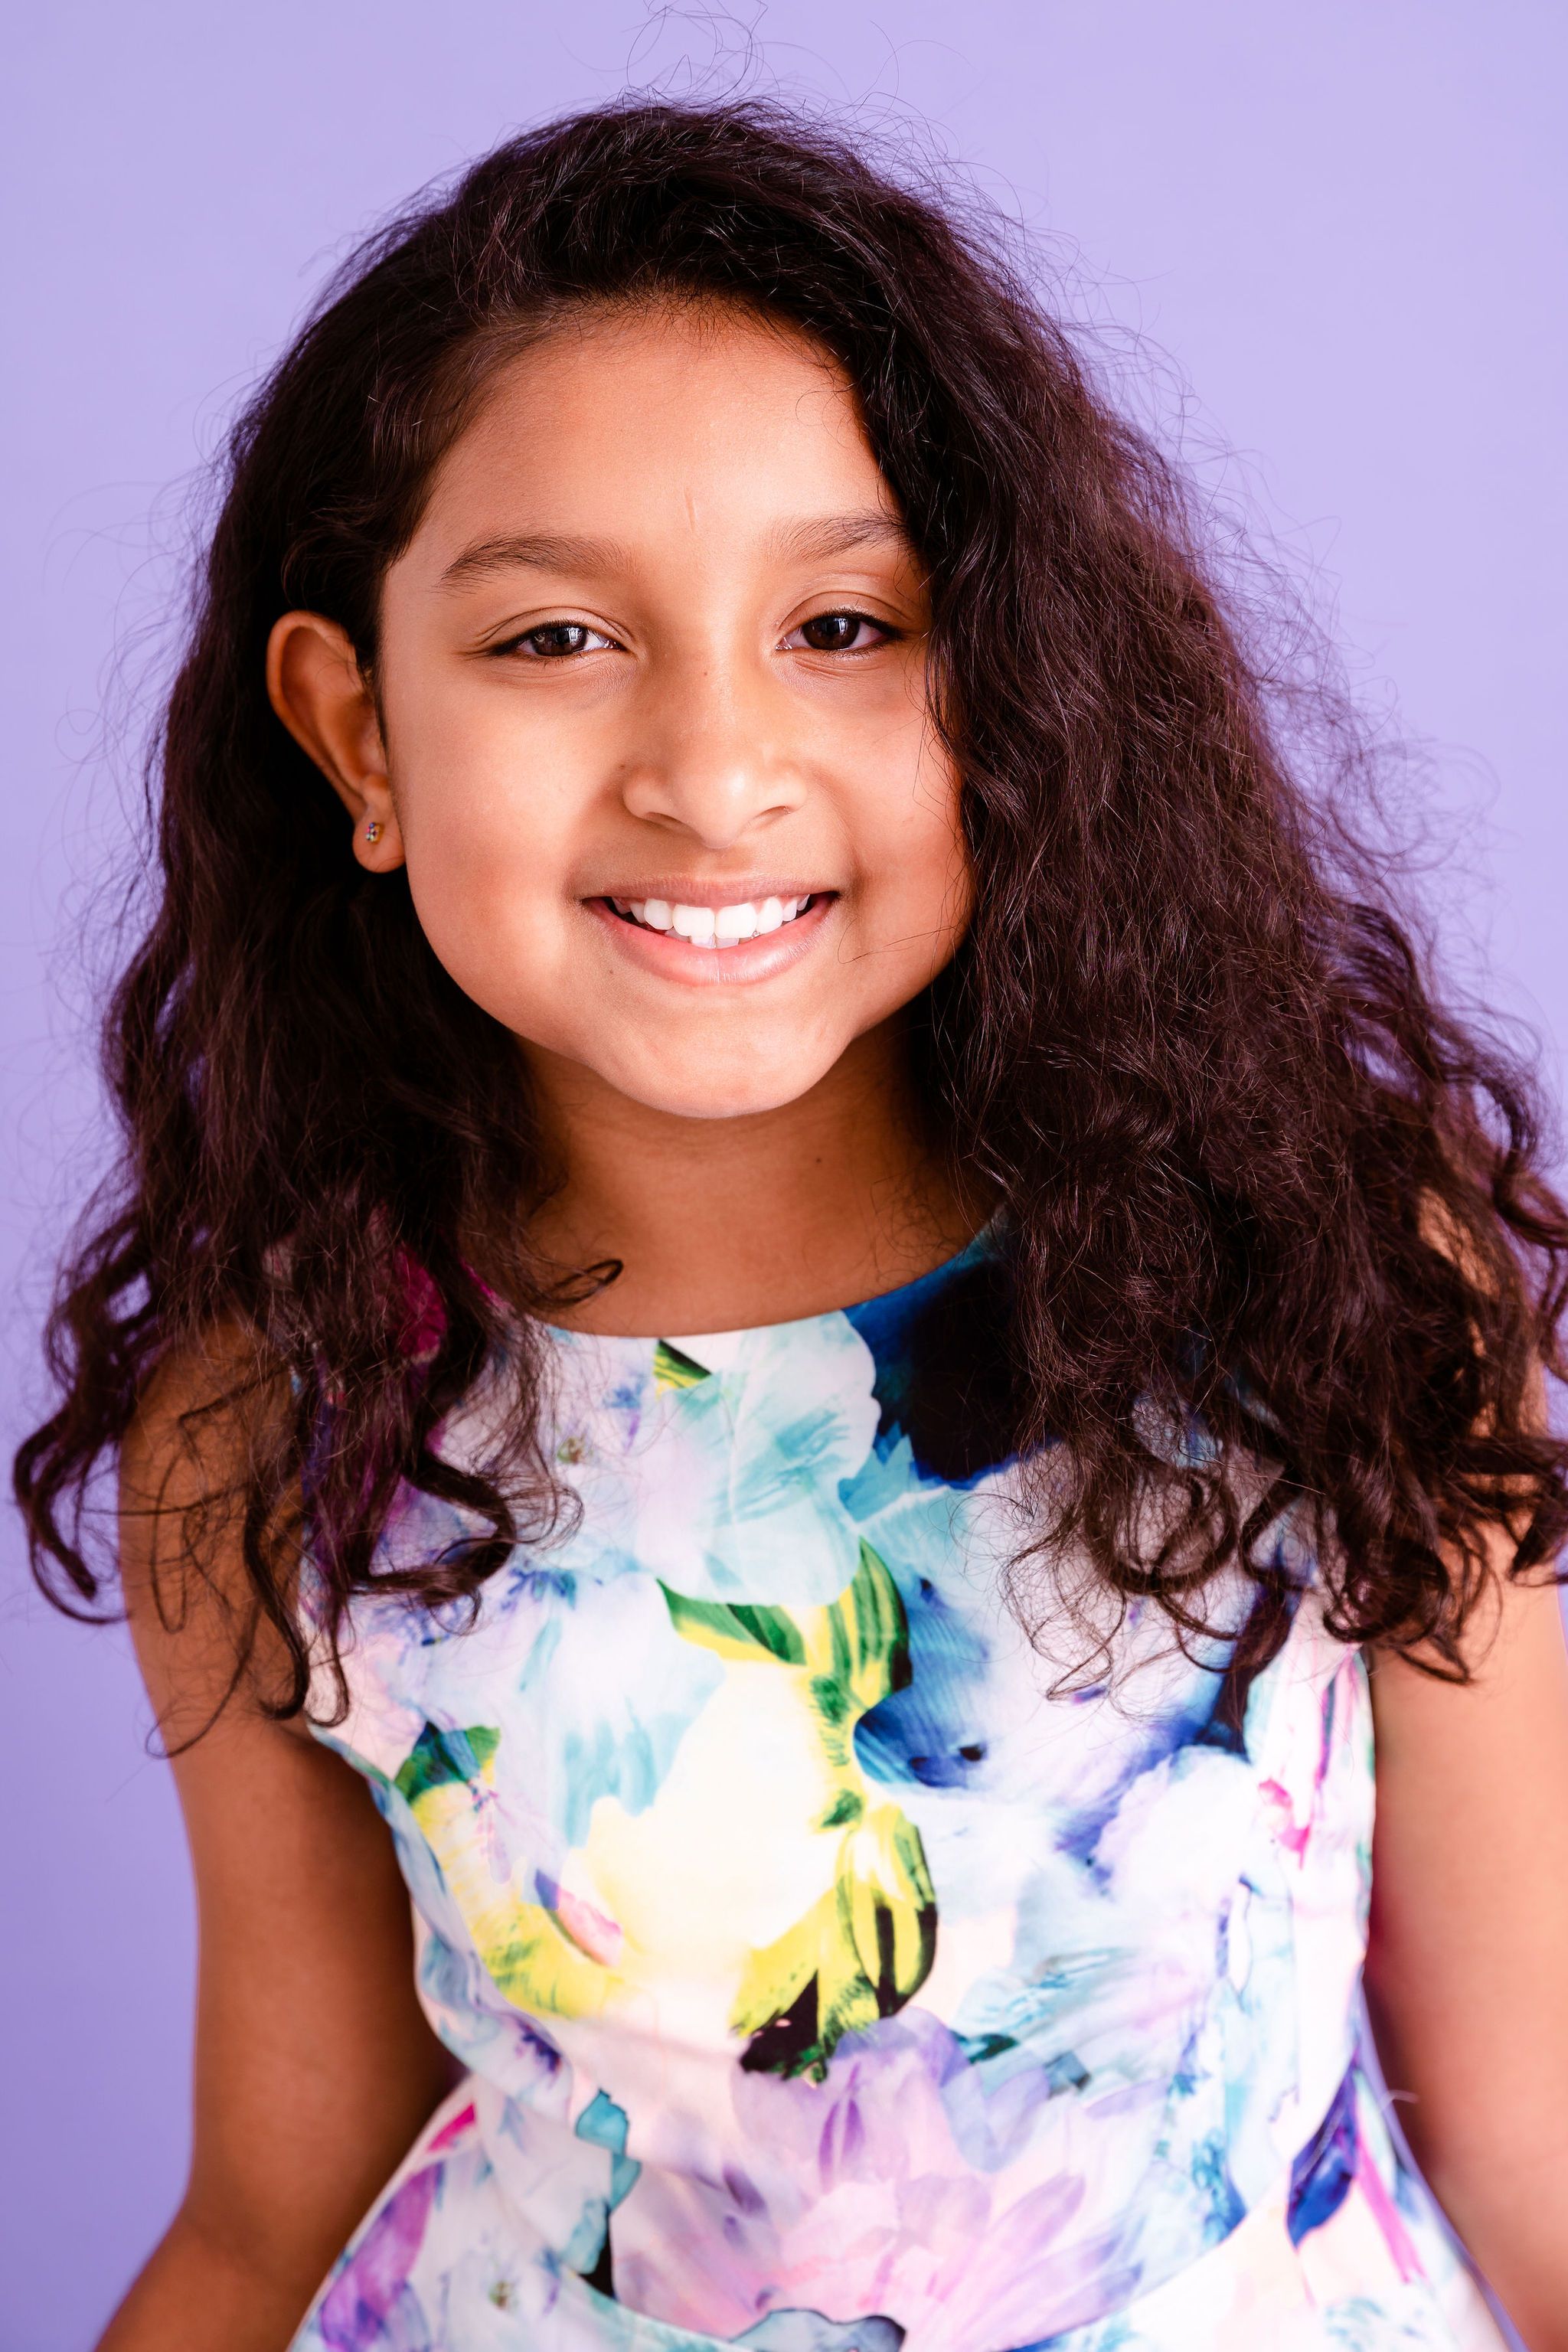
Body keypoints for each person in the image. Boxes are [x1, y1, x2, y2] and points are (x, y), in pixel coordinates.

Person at [16, 97, 1568, 2352]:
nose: (713, 769)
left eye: (843, 624)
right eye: (558, 638)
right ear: (359, 738)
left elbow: (1537, 2128)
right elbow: (274, 2210)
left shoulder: (1331, 1269)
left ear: (1012, 686)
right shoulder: (285, 1432)